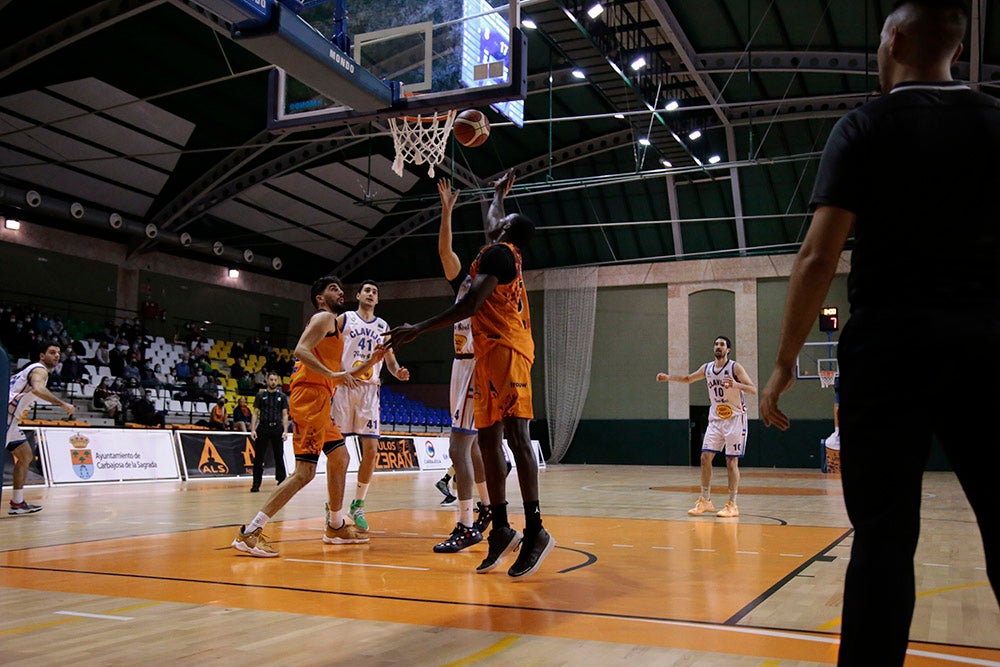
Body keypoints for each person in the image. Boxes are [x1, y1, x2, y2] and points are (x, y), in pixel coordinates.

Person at [758, 2, 1000, 664]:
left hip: (889, 351)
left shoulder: (864, 125)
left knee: (884, 544)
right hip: (986, 344)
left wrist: (783, 363)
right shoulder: (994, 121)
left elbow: (817, 256)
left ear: (893, 40)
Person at [389, 170, 556, 579]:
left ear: (509, 231)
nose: (494, 219)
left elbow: (469, 307)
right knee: (486, 441)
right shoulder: (499, 245)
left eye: (502, 218)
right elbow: (493, 216)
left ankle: (535, 529)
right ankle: (499, 526)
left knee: (517, 438)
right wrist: (497, 192)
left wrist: (417, 328)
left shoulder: (500, 256)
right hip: (486, 356)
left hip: (510, 350)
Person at [232, 275, 385, 557]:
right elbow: (300, 350)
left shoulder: (334, 329)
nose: (340, 292)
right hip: (309, 400)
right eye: (333, 289)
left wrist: (374, 361)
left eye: (340, 288)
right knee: (305, 472)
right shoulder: (323, 318)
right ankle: (250, 532)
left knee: (341, 457)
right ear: (320, 298)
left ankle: (336, 525)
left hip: (322, 398)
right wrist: (332, 374)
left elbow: (335, 374)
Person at [429, 177, 497, 553]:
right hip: (461, 365)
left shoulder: (491, 289)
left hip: (476, 367)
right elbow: (445, 253)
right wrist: (447, 211)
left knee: (459, 447)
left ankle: (467, 523)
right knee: (470, 449)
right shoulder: (466, 282)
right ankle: (485, 508)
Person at [334, 280, 410, 532]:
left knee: (372, 450)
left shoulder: (383, 326)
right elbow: (328, 344)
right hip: (345, 387)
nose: (370, 294)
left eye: (375, 292)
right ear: (358, 295)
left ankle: (358, 505)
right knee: (338, 454)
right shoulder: (344, 319)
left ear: (377, 300)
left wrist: (397, 371)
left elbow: (389, 359)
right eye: (367, 290)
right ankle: (333, 508)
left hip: (370, 391)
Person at [656, 336, 756, 517]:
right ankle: (705, 500)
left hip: (735, 418)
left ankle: (732, 504)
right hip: (716, 419)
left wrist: (735, 384)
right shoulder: (708, 368)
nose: (718, 346)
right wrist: (668, 377)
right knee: (704, 457)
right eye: (716, 344)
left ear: (728, 350)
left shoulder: (735, 367)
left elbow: (753, 389)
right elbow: (688, 378)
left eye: (722, 344)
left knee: (731, 461)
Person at [6, 342, 75, 514]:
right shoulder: (40, 370)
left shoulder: (31, 370)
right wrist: (61, 403)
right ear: (42, 356)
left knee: (25, 455)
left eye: (58, 353)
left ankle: (17, 502)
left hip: (12, 419)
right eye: (52, 352)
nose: (57, 355)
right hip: (5, 416)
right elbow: (37, 388)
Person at [249, 372, 290, 492]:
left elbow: (285, 415)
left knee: (279, 456)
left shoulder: (282, 397)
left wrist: (285, 431)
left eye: (275, 380)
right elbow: (255, 413)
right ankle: (256, 484)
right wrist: (252, 429)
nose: (273, 382)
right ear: (267, 381)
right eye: (271, 379)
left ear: (277, 382)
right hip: (263, 427)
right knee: (258, 458)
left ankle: (281, 481)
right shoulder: (260, 395)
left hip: (277, 428)